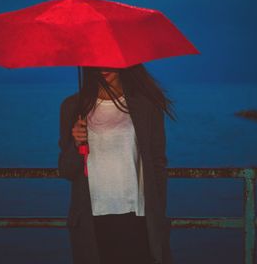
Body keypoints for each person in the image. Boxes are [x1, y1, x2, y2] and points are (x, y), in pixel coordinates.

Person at [58, 64, 176, 264]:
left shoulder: (145, 106)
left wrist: (157, 213)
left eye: (109, 59)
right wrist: (77, 143)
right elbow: (66, 170)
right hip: (91, 217)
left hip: (137, 216)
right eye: (97, 60)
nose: (103, 66)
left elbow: (158, 163)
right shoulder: (73, 107)